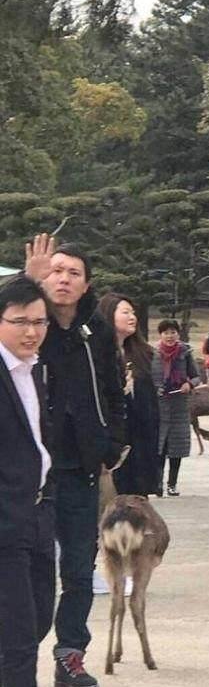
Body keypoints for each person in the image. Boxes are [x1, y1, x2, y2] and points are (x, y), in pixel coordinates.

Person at [25, 234, 126, 687]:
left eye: (73, 273)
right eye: (56, 270)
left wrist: (112, 443)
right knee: (32, 569)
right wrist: (26, 287)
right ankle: (20, 654)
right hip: (29, 473)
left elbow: (112, 390)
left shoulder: (96, 333)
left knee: (79, 569)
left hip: (82, 468)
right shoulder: (25, 325)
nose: (63, 279)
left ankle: (70, 655)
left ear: (86, 286)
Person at [0, 276, 55, 687]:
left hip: (36, 514)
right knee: (18, 641)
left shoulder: (34, 370)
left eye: (39, 322)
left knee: (38, 620)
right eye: (20, 321)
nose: (32, 332)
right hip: (4, 523)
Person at [96, 293, 159, 497]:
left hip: (140, 445)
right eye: (125, 312)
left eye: (133, 312)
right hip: (114, 443)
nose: (132, 317)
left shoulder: (144, 354)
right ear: (108, 315)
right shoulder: (98, 354)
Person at [152, 319, 200, 497]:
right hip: (160, 405)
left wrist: (189, 384)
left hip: (179, 404)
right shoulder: (153, 353)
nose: (169, 336)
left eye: (173, 332)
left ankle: (172, 484)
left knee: (176, 448)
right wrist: (154, 389)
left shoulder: (184, 353)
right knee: (159, 447)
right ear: (160, 335)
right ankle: (157, 483)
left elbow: (196, 377)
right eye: (166, 332)